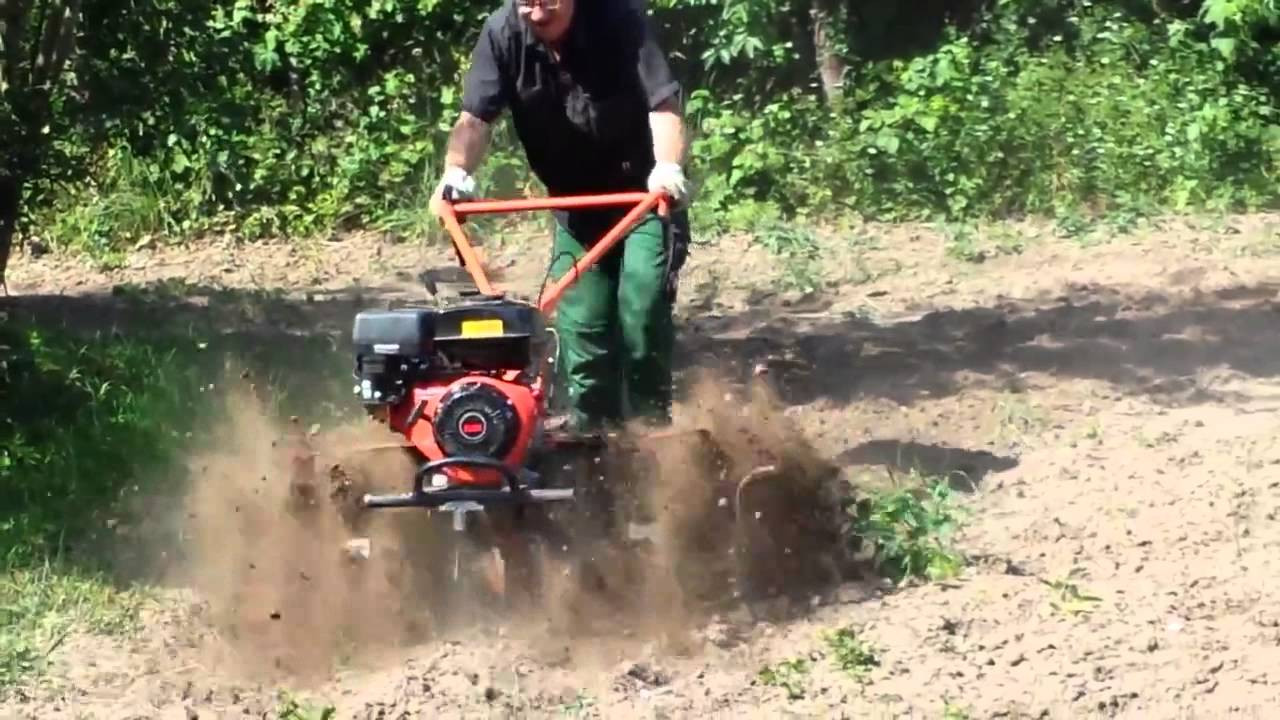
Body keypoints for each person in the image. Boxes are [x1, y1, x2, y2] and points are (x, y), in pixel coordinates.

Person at [429, 0, 692, 432]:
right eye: (526, 2)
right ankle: (593, 443)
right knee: (583, 327)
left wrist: (667, 168)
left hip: (643, 197)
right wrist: (455, 175)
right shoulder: (502, 33)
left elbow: (664, 104)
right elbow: (475, 118)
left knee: (642, 307)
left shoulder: (619, 18)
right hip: (575, 205)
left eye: (546, 0)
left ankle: (652, 438)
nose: (535, 13)